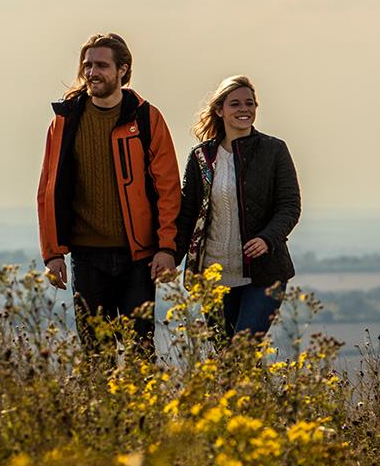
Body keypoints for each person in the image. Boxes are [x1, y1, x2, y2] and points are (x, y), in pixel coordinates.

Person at [36, 33, 183, 355]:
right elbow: (48, 188)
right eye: (87, 65)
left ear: (122, 70)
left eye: (101, 65)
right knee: (95, 354)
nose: (92, 72)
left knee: (140, 353)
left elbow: (168, 187)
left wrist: (167, 247)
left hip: (138, 257)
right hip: (87, 257)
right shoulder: (64, 121)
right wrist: (53, 254)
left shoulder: (146, 118)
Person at [172, 75, 302, 339]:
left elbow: (289, 205)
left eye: (250, 103)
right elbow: (188, 214)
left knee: (242, 351)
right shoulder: (201, 156)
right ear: (219, 110)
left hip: (264, 273)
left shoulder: (274, 150)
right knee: (226, 359)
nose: (244, 109)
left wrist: (267, 239)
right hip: (214, 275)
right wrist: (170, 257)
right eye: (235, 104)